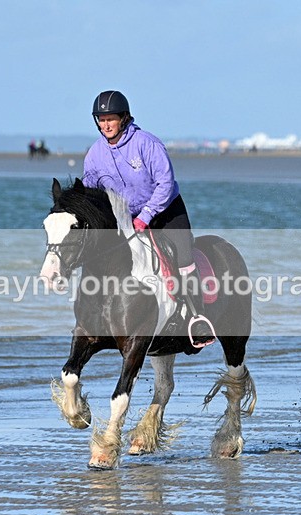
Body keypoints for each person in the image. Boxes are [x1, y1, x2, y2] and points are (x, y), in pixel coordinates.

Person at [82, 90, 214, 348]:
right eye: (101, 119)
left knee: (184, 258)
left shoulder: (147, 143)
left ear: (124, 118)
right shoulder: (95, 154)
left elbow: (165, 183)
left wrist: (146, 216)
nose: (106, 125)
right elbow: (90, 191)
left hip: (166, 211)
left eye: (111, 119)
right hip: (126, 219)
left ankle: (197, 318)